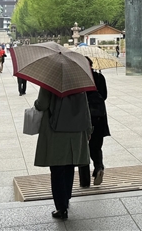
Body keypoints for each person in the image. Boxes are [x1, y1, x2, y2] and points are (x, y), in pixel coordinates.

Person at [33, 88, 92, 220]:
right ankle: (66, 198)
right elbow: (85, 107)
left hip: (56, 131)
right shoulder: (77, 83)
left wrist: (36, 103)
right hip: (75, 130)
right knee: (69, 165)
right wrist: (88, 129)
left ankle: (61, 207)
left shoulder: (50, 82)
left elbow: (42, 104)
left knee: (57, 168)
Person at [78, 57, 110, 188]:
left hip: (82, 117)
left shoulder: (78, 79)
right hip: (99, 117)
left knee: (83, 148)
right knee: (96, 146)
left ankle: (84, 181)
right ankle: (99, 167)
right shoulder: (99, 77)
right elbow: (104, 96)